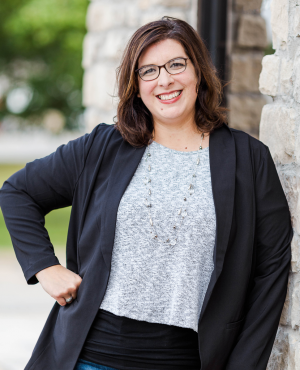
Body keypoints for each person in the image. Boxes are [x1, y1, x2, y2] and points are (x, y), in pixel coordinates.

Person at [0, 17, 293, 370]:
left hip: (188, 361)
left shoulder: (248, 159)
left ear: (198, 71)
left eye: (176, 64)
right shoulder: (103, 147)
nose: (164, 80)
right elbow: (18, 191)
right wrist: (45, 267)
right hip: (92, 358)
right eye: (148, 71)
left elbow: (271, 269)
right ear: (136, 85)